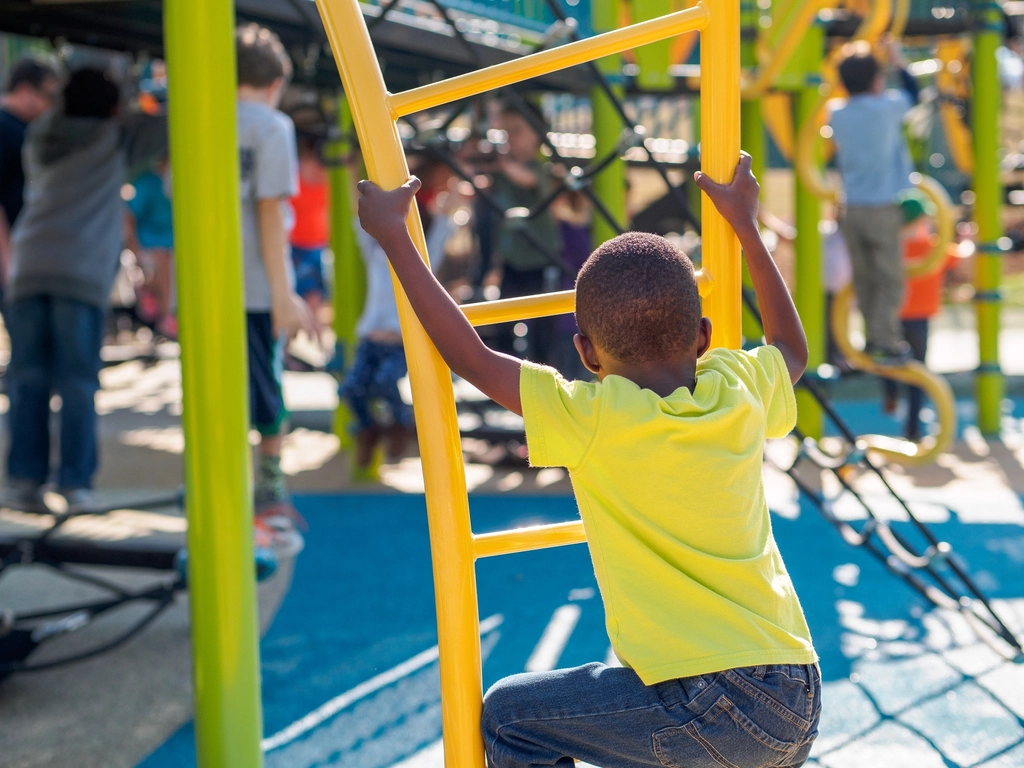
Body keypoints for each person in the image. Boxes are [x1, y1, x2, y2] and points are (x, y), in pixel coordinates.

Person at [355, 152, 820, 768]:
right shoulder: (736, 385)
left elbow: (471, 357)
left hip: (709, 705)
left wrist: (395, 238)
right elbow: (791, 348)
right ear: (704, 338)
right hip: (797, 689)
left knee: (511, 718)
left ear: (586, 353)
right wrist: (745, 226)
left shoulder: (593, 417)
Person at [3, 68, 165, 511]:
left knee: (28, 377)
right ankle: (75, 484)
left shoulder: (40, 135)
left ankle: (23, 481)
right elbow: (165, 127)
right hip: (79, 272)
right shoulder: (115, 139)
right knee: (77, 380)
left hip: (29, 265)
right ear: (112, 108)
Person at [235, 23, 316, 546]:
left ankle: (223, 495)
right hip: (257, 287)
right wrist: (284, 294)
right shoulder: (271, 126)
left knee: (222, 392)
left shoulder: (203, 120)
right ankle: (268, 499)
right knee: (267, 398)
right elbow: (270, 212)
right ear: (275, 84)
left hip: (210, 287)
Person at [829, 39, 919, 365]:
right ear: (877, 81)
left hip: (852, 209)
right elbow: (914, 93)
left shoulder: (837, 113)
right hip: (882, 207)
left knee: (865, 279)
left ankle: (871, 339)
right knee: (890, 280)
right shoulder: (887, 108)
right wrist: (897, 59)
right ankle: (887, 341)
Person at [489, 102, 559, 362]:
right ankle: (505, 368)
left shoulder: (540, 168)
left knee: (542, 327)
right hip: (513, 259)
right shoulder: (503, 170)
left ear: (536, 136)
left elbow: (528, 179)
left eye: (516, 131)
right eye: (506, 132)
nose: (509, 138)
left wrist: (502, 162)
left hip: (540, 258)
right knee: (504, 322)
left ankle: (543, 368)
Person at [882, 190, 951, 441]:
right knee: (918, 371)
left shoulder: (888, 245)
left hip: (891, 314)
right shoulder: (932, 246)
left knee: (887, 358)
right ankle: (913, 427)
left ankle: (890, 392)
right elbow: (957, 256)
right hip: (919, 318)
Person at [0, 57, 60, 296]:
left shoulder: (21, 128)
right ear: (25, 90)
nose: (51, 106)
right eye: (48, 96)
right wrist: (8, 260)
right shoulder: (5, 128)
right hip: (12, 259)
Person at [124, 155, 176, 338]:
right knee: (163, 265)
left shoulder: (179, 183)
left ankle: (166, 315)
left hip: (172, 245)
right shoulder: (146, 183)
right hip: (151, 244)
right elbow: (128, 217)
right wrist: (135, 250)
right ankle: (164, 316)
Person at [289, 121, 329, 322]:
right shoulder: (293, 178)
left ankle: (315, 331)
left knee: (315, 296)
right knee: (292, 294)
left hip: (315, 246)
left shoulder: (328, 181)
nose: (317, 168)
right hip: (294, 245)